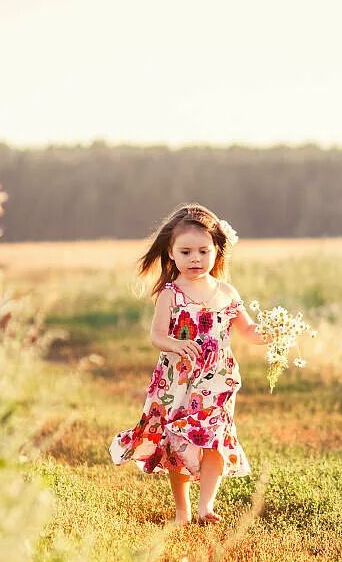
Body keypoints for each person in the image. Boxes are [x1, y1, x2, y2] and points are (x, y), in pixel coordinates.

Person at [109, 203, 269, 526]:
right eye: (185, 252)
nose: (195, 259)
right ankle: (182, 510)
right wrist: (176, 344)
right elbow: (156, 335)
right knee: (178, 442)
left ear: (215, 251)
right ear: (170, 253)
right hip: (178, 381)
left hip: (217, 380)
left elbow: (249, 332)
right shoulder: (171, 294)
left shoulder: (226, 292)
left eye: (202, 251)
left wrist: (274, 332)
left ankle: (205, 506)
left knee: (215, 436)